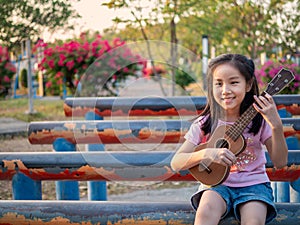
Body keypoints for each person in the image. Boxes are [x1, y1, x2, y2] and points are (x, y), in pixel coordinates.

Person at [171, 53, 288, 225]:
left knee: (254, 220)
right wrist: (207, 153)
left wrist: (276, 126)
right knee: (205, 213)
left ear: (248, 85)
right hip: (216, 186)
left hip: (254, 186)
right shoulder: (205, 123)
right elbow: (176, 162)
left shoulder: (259, 122)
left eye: (233, 82)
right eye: (218, 83)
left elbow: (280, 162)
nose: (225, 90)